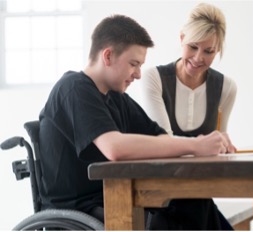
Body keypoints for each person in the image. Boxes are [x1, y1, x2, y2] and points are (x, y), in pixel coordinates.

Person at [38, 14, 231, 224]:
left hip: (116, 195)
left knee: (194, 199)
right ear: (108, 56)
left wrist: (204, 143)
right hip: (82, 210)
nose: (138, 74)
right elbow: (115, 148)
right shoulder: (74, 88)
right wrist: (194, 146)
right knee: (185, 205)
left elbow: (160, 136)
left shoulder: (115, 97)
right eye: (134, 64)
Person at [141, 3, 237, 230]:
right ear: (181, 38)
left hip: (198, 191)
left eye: (209, 51)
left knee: (198, 206)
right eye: (193, 46)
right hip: (161, 193)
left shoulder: (226, 87)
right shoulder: (154, 79)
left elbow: (219, 143)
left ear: (218, 50)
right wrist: (206, 145)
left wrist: (223, 145)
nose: (198, 58)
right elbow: (163, 143)